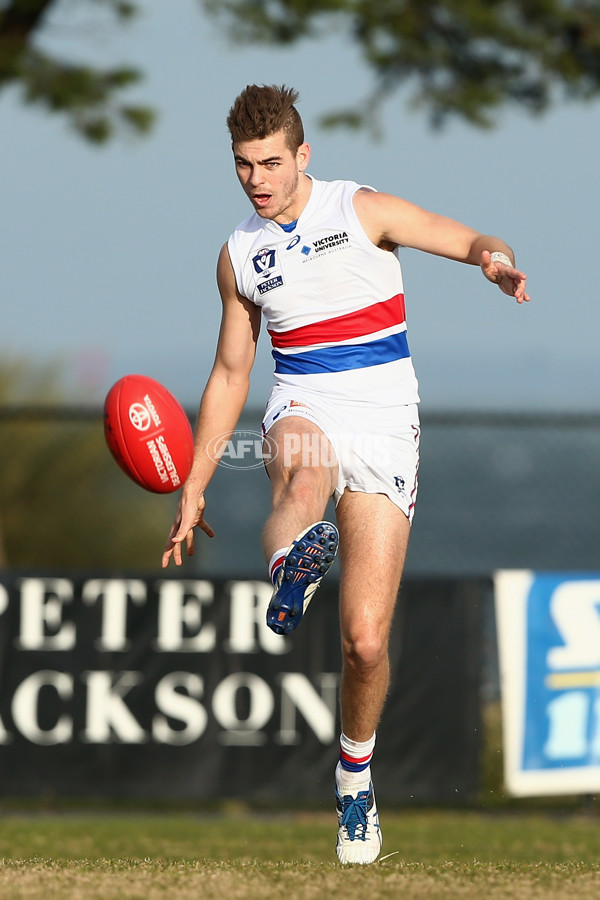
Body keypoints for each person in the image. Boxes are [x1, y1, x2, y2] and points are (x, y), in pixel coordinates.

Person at [162, 84, 529, 864]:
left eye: (270, 162)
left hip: (389, 424)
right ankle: (289, 570)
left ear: (302, 156)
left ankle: (354, 778)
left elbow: (464, 238)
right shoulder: (237, 256)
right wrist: (194, 482)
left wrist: (493, 259)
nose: (256, 179)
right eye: (242, 166)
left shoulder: (360, 210)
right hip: (303, 403)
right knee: (301, 477)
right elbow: (232, 373)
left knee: (364, 642)